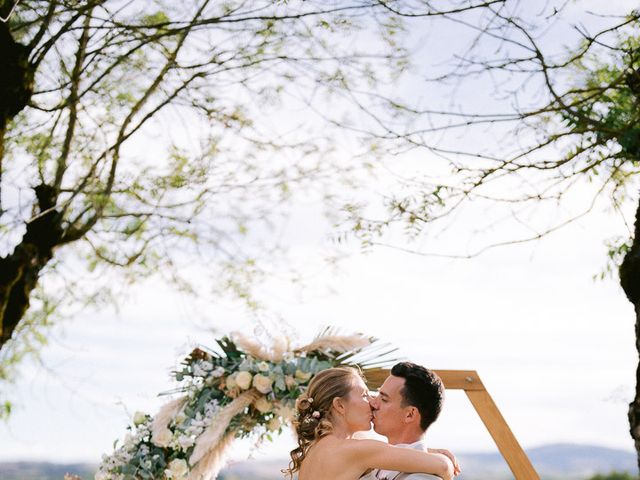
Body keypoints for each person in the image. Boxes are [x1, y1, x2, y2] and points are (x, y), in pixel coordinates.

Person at [284, 367, 455, 480]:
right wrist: (445, 461)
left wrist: (428, 451)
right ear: (340, 405)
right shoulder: (358, 451)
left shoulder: (315, 451)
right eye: (365, 395)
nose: (372, 402)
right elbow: (441, 466)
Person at [364, 362, 461, 480]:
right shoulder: (375, 461)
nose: (373, 403)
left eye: (384, 399)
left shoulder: (421, 477)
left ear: (410, 414)